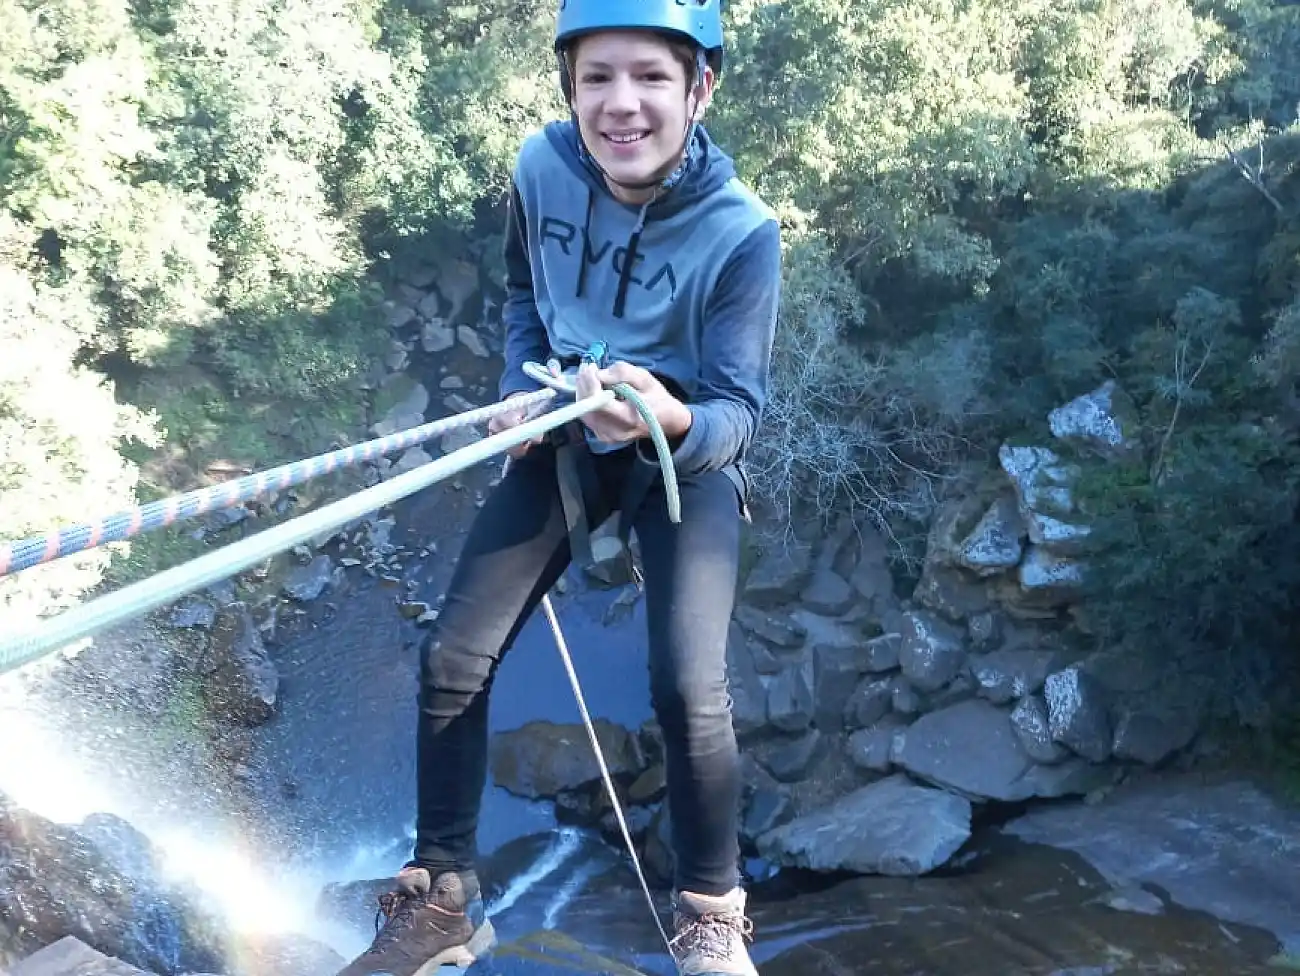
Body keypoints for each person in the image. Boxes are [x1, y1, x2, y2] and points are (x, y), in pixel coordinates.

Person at [339, 0, 781, 973]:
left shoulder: (743, 232)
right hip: (561, 431)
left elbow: (736, 414)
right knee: (453, 652)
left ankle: (711, 914)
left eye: (650, 77)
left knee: (686, 683)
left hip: (679, 456)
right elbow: (521, 301)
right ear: (567, 87)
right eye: (596, 77)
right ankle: (443, 896)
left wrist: (665, 417)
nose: (621, 103)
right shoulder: (538, 171)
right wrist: (516, 390)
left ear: (699, 88)